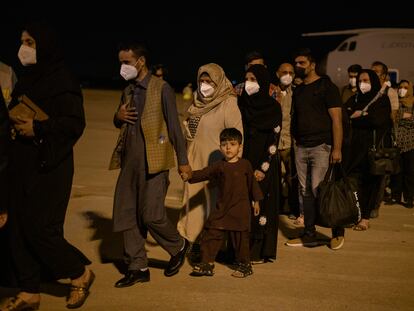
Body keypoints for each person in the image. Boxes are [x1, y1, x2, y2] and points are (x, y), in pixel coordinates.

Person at [3, 22, 94, 310]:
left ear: (45, 45)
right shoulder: (27, 79)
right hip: (21, 165)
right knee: (17, 229)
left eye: (30, 42)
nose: (24, 48)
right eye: (22, 41)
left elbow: (74, 124)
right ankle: (29, 291)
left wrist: (38, 128)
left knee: (40, 229)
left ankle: (79, 273)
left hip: (50, 166)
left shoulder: (63, 80)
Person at [109, 41, 192, 288]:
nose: (123, 67)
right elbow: (119, 119)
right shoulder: (128, 90)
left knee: (151, 215)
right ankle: (138, 267)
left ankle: (178, 245)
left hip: (155, 163)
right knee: (127, 214)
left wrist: (183, 161)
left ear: (140, 61)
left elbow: (174, 126)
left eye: (126, 62)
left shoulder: (161, 88)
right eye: (121, 62)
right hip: (129, 163)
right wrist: (117, 117)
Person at [181, 128, 263, 277]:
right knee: (211, 233)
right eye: (224, 144)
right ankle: (207, 264)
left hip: (240, 210)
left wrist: (256, 200)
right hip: (222, 209)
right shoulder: (219, 165)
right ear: (220, 147)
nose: (228, 148)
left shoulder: (245, 165)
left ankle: (245, 265)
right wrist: (190, 175)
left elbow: (253, 184)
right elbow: (205, 172)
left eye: (232, 144)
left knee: (240, 241)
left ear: (240, 146)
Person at [176, 63, 243, 244]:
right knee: (192, 204)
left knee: (212, 205)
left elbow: (237, 138)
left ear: (219, 82)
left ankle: (209, 245)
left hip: (215, 164)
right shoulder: (197, 100)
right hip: (193, 160)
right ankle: (192, 242)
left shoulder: (228, 103)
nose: (204, 85)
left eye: (209, 81)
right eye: (202, 81)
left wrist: (232, 167)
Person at [286, 48, 345, 250]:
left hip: (322, 146)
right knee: (305, 192)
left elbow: (336, 120)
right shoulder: (299, 89)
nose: (297, 66)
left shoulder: (327, 86)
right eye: (296, 63)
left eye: (301, 63)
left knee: (322, 191)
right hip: (302, 147)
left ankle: (337, 232)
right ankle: (309, 234)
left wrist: (337, 149)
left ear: (312, 65)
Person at [238, 64, 282, 263]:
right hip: (243, 161)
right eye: (247, 79)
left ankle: (258, 251)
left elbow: (274, 139)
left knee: (261, 205)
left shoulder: (273, 108)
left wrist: (263, 167)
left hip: (263, 162)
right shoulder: (242, 104)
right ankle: (239, 249)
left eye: (253, 80)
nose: (249, 84)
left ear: (263, 82)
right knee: (242, 205)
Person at [344, 69, 392, 230]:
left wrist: (358, 117)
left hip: (371, 149)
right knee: (353, 183)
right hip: (353, 149)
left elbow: (378, 120)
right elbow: (345, 115)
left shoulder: (382, 100)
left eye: (366, 80)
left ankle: (364, 217)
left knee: (370, 184)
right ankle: (354, 214)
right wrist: (362, 115)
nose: (362, 84)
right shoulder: (354, 98)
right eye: (360, 80)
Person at [272, 62, 300, 220]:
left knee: (292, 178)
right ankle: (276, 206)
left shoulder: (297, 92)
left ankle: (292, 207)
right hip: (274, 143)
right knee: (274, 178)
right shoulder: (271, 91)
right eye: (284, 72)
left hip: (290, 142)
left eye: (291, 72)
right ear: (277, 74)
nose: (287, 75)